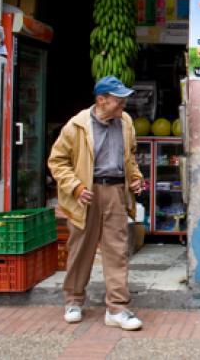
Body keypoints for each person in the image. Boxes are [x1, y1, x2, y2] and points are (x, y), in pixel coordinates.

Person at [48, 76, 145, 331]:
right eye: (118, 99)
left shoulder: (125, 122)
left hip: (115, 191)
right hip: (86, 193)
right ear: (101, 100)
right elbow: (57, 162)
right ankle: (73, 300)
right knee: (81, 248)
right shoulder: (76, 125)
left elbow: (130, 156)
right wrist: (75, 187)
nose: (123, 103)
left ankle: (117, 308)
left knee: (117, 250)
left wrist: (135, 178)